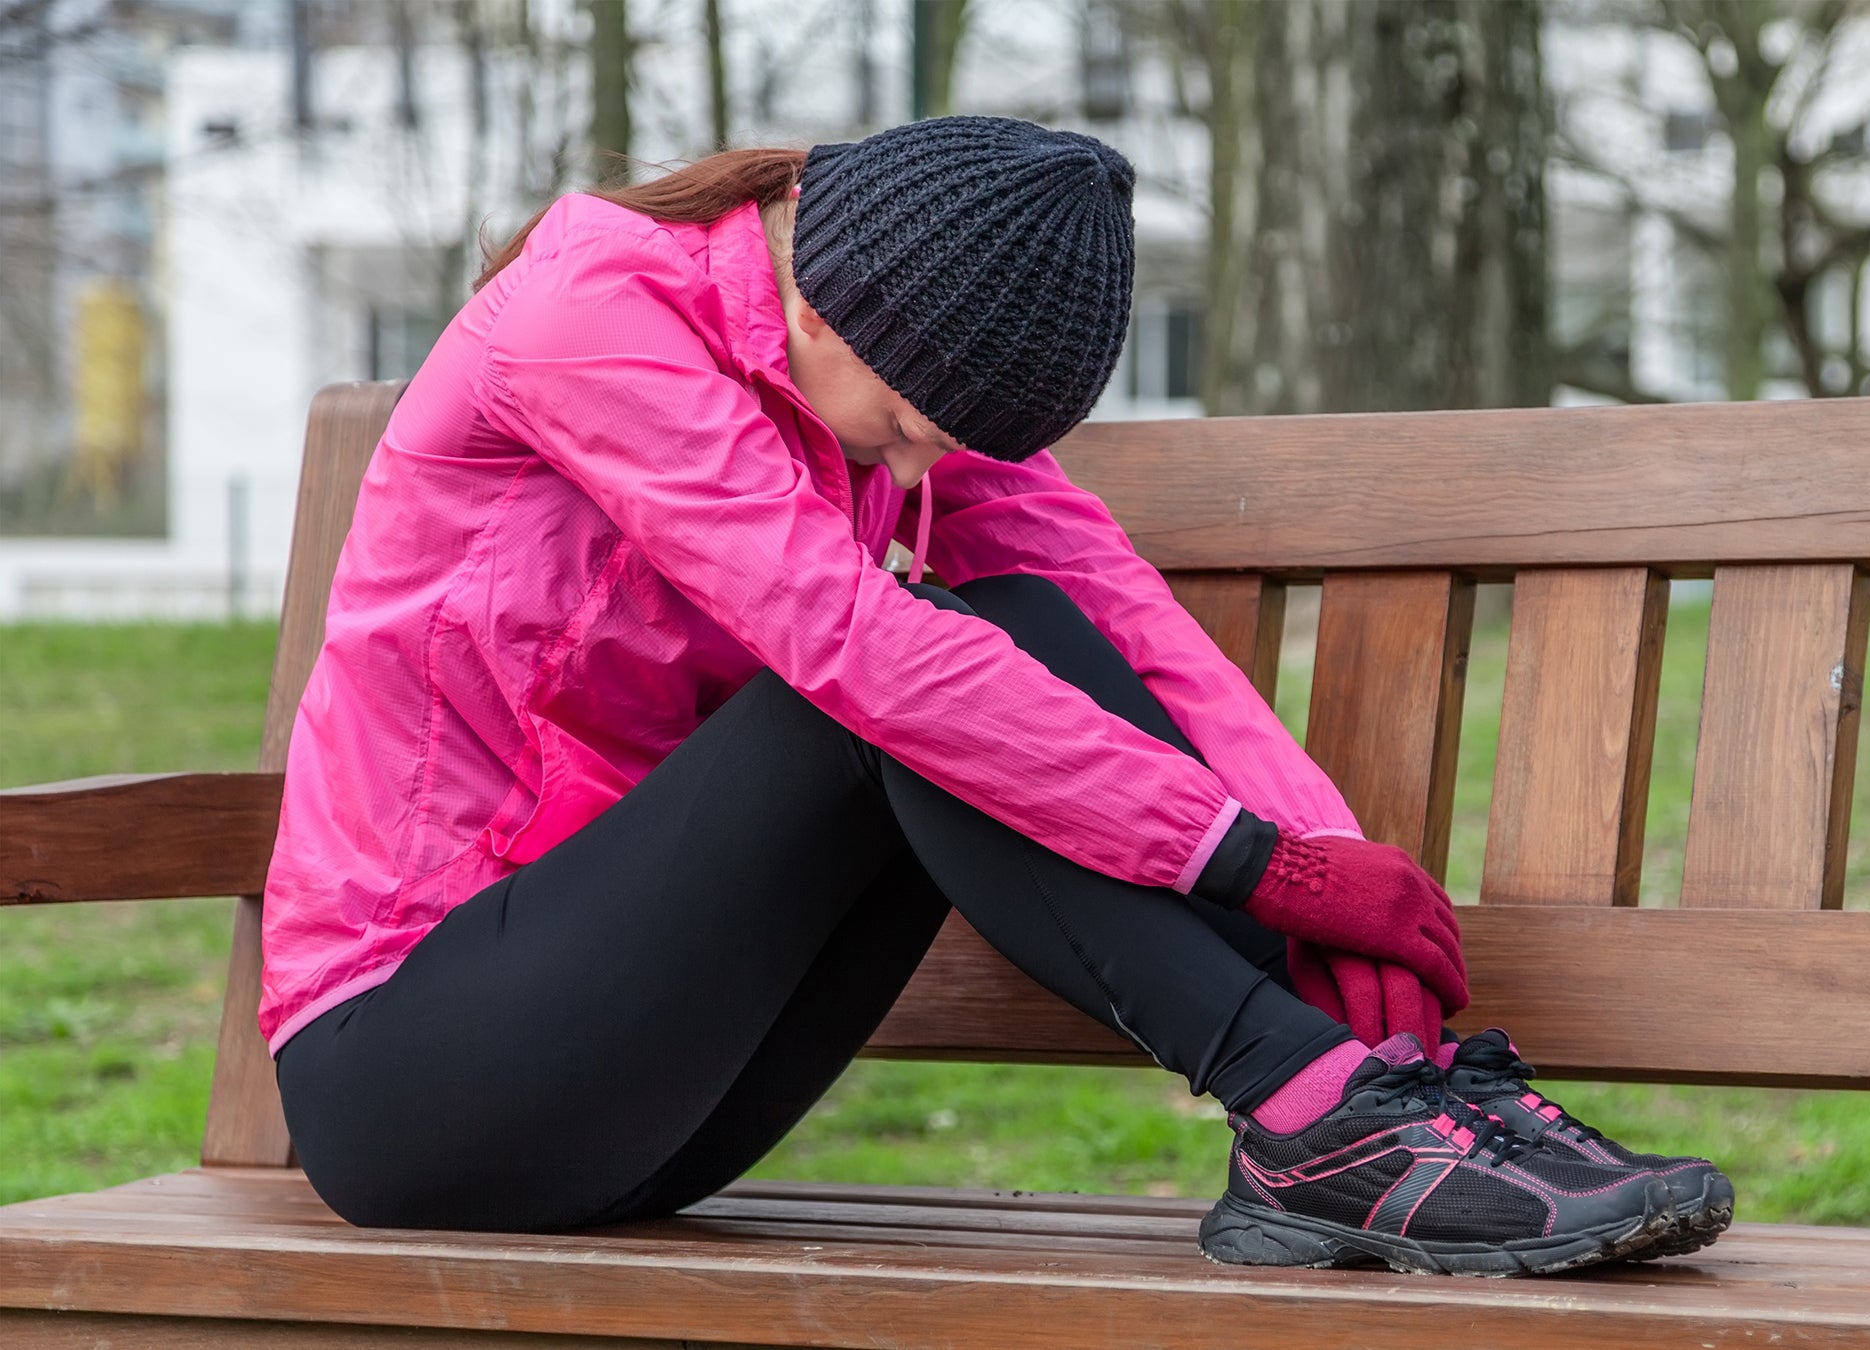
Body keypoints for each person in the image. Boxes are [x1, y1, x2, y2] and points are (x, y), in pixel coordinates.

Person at [260, 115, 1731, 1277]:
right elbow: (849, 641)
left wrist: (1322, 874)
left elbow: (1133, 627)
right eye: (907, 428)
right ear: (826, 311)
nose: (915, 470)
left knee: (1012, 622)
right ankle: (1308, 1113)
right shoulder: (586, 317)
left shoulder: (893, 348)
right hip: (410, 1072)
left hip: (654, 1099)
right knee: (886, 679)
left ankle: (1372, 1091)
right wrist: (1246, 861)